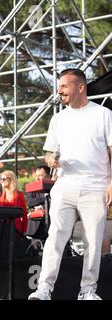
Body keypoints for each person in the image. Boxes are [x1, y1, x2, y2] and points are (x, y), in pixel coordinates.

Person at [28, 68, 112, 300]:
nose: (59, 90)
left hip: (96, 186)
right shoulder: (58, 119)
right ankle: (44, 288)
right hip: (64, 184)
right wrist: (50, 159)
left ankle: (88, 291)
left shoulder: (103, 114)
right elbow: (48, 155)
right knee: (55, 236)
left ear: (81, 87)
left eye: (64, 86)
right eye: (60, 86)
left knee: (94, 241)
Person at [0, 170, 28, 235]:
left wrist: (25, 230)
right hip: (2, 228)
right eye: (1, 179)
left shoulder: (20, 194)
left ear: (11, 179)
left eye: (4, 179)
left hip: (17, 228)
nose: (2, 181)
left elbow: (24, 214)